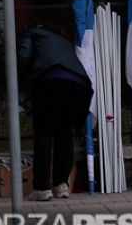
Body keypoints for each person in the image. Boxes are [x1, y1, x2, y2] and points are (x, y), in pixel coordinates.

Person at [18, 19, 93, 201]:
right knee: (64, 133)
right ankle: (61, 185)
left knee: (44, 134)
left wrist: (20, 78)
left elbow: (23, 56)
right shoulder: (63, 40)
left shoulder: (32, 33)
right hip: (79, 84)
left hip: (50, 80)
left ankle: (42, 188)